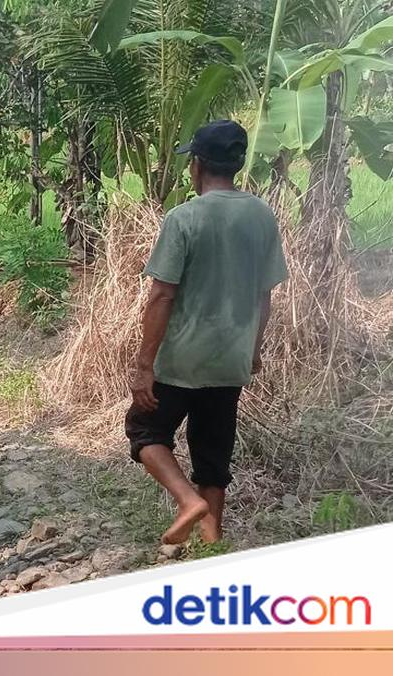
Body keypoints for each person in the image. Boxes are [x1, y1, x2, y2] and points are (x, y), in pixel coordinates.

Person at [126, 120, 287, 546]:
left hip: (182, 358)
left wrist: (145, 366)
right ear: (234, 164)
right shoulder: (261, 216)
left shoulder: (184, 218)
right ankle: (211, 541)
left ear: (196, 165)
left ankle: (187, 501)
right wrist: (253, 350)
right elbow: (263, 295)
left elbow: (161, 296)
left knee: (145, 432)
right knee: (213, 452)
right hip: (231, 358)